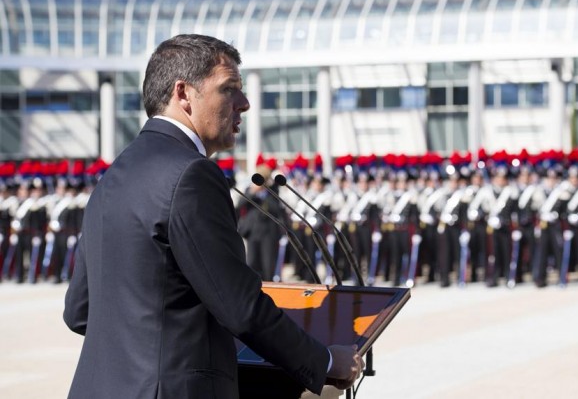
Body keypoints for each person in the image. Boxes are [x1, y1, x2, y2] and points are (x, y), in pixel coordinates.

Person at [63, 34, 362, 399]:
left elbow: (79, 312)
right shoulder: (192, 174)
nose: (245, 103)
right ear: (183, 93)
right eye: (229, 89)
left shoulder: (113, 177)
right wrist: (327, 361)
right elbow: (241, 308)